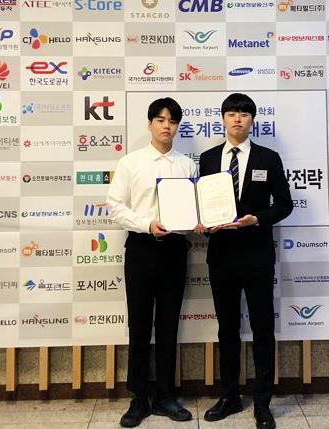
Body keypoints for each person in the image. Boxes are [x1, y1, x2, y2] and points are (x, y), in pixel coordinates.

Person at [198, 93, 293, 429]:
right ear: (223, 119)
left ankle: (263, 403)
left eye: (243, 114)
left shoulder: (269, 158)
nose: (237, 119)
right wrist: (202, 222)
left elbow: (284, 204)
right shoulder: (208, 159)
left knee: (263, 329)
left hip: (257, 254)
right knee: (227, 329)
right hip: (221, 255)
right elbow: (202, 203)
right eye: (231, 113)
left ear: (252, 120)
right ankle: (230, 396)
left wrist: (258, 219)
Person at [106, 97, 196, 428]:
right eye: (160, 120)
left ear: (177, 126)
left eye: (172, 121)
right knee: (140, 324)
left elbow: (194, 208)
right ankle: (139, 398)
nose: (166, 126)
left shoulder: (187, 166)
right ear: (149, 124)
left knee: (169, 325)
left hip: (174, 250)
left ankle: (165, 396)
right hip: (142, 248)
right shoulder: (130, 162)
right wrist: (147, 224)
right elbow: (115, 206)